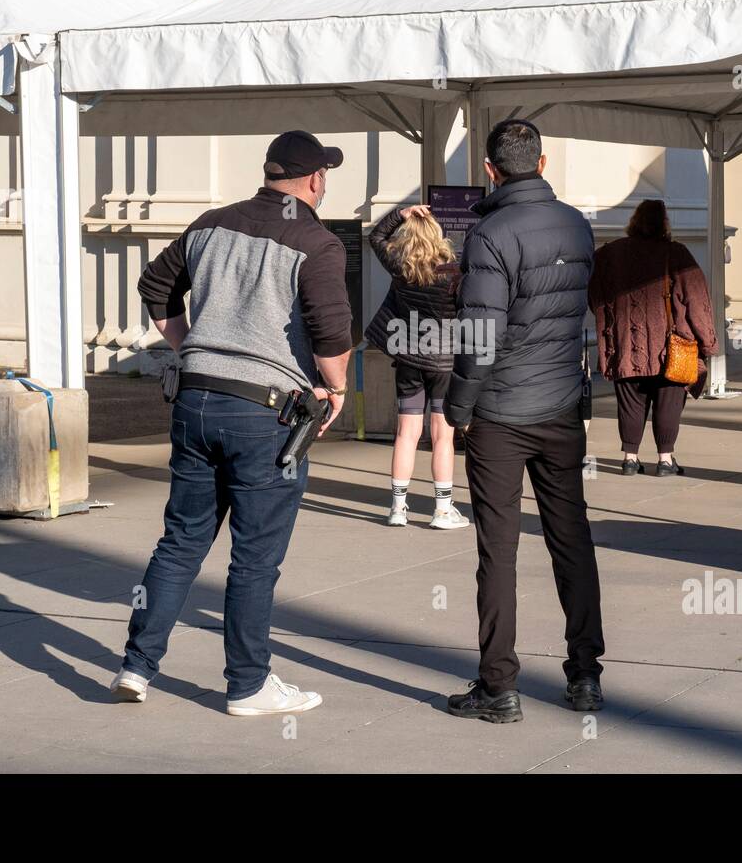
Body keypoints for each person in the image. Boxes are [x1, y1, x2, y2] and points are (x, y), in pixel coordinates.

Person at [111, 130, 353, 714]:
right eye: (327, 175)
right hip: (264, 409)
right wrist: (338, 388)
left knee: (180, 542)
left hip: (195, 400)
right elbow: (331, 332)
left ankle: (137, 667)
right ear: (316, 179)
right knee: (254, 558)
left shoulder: (210, 223)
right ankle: (247, 685)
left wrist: (188, 345)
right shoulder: (316, 242)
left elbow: (154, 284)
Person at [443, 119, 603, 723]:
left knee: (499, 552)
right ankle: (585, 674)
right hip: (562, 403)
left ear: (490, 169)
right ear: (542, 161)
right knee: (572, 542)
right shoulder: (576, 224)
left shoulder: (490, 233)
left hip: (502, 414)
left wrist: (457, 408)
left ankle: (498, 686)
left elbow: (480, 336)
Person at [588, 199, 717, 476]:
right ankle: (665, 460)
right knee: (668, 401)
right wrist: (708, 341)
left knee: (630, 402)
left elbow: (594, 293)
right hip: (670, 349)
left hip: (624, 345)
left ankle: (630, 459)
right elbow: (697, 299)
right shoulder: (677, 254)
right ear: (664, 223)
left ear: (634, 220)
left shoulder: (610, 254)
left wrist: (612, 323)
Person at [365, 204, 470, 529]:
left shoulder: (401, 266)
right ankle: (442, 510)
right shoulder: (455, 274)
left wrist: (403, 213)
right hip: (443, 363)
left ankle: (398, 508)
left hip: (408, 359)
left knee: (406, 434)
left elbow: (376, 235)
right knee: (442, 437)